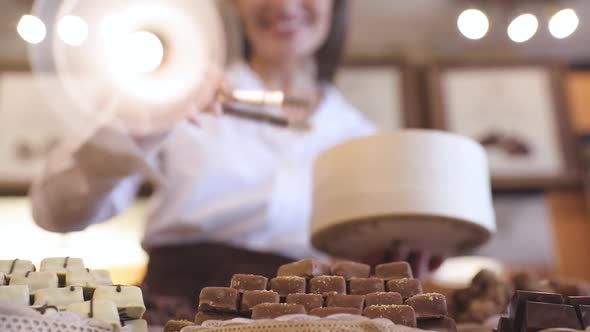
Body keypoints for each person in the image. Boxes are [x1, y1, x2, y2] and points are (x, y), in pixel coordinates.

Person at [30, 0, 439, 323]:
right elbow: (55, 212)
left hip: (310, 318)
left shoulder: (362, 137)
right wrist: (138, 126)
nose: (285, 3)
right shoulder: (172, 90)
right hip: (175, 312)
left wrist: (382, 267)